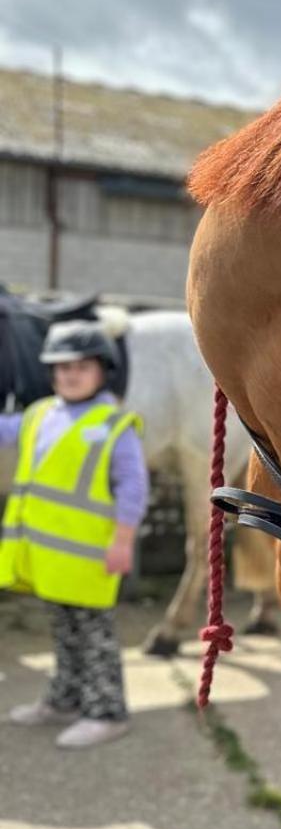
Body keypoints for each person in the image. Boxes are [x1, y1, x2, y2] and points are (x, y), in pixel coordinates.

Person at [1, 321, 148, 749]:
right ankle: (64, 699)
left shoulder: (115, 425)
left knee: (94, 636)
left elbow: (133, 488)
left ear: (103, 371)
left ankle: (107, 711)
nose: (69, 374)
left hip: (91, 557)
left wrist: (123, 541)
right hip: (50, 558)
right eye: (61, 367)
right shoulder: (40, 414)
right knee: (65, 632)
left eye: (81, 366)